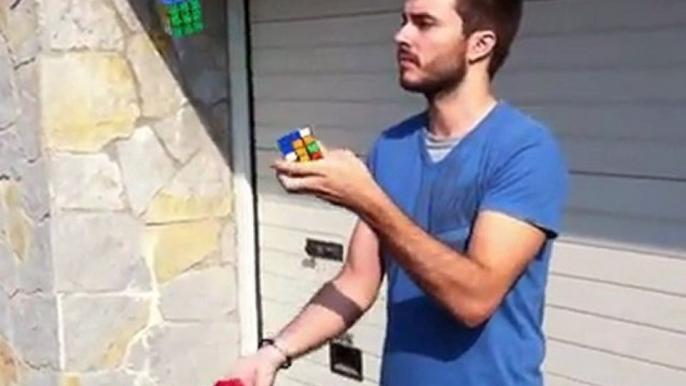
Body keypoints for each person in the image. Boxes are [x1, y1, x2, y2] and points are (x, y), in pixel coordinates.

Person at [229, 0, 569, 385]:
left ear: (479, 45)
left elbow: (474, 300)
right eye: (403, 21)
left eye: (424, 24)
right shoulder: (392, 146)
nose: (401, 36)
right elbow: (356, 281)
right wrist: (274, 352)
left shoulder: (525, 150)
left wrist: (365, 198)